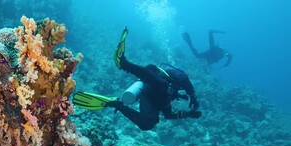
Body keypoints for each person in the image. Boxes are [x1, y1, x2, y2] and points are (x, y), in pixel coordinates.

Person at [73, 27, 202, 131]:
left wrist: (189, 114)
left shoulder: (167, 100)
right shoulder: (174, 78)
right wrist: (194, 98)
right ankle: (124, 64)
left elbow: (169, 115)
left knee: (148, 124)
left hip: (148, 99)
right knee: (161, 85)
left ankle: (115, 103)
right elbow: (184, 79)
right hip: (152, 85)